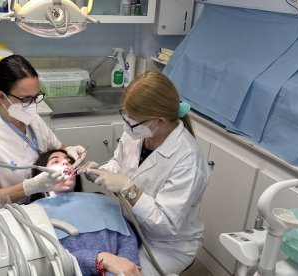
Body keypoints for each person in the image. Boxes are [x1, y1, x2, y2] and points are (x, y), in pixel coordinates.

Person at [87, 71, 211, 275]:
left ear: (160, 121)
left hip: (166, 245)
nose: (127, 127)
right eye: (125, 116)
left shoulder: (188, 159)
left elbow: (164, 224)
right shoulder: (139, 131)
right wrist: (101, 172)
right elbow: (119, 161)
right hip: (129, 224)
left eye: (133, 121)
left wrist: (128, 188)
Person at [0, 55, 86, 207]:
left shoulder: (31, 118)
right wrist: (30, 187)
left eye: (36, 97)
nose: (33, 105)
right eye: (25, 99)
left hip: (34, 207)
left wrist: (70, 149)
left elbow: (55, 146)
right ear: (1, 97)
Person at [32, 149, 141, 276]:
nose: (66, 163)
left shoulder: (102, 200)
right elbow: (45, 262)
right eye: (55, 161)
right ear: (39, 175)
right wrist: (99, 259)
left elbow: (128, 239)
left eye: (69, 161)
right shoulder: (33, 213)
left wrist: (123, 270)